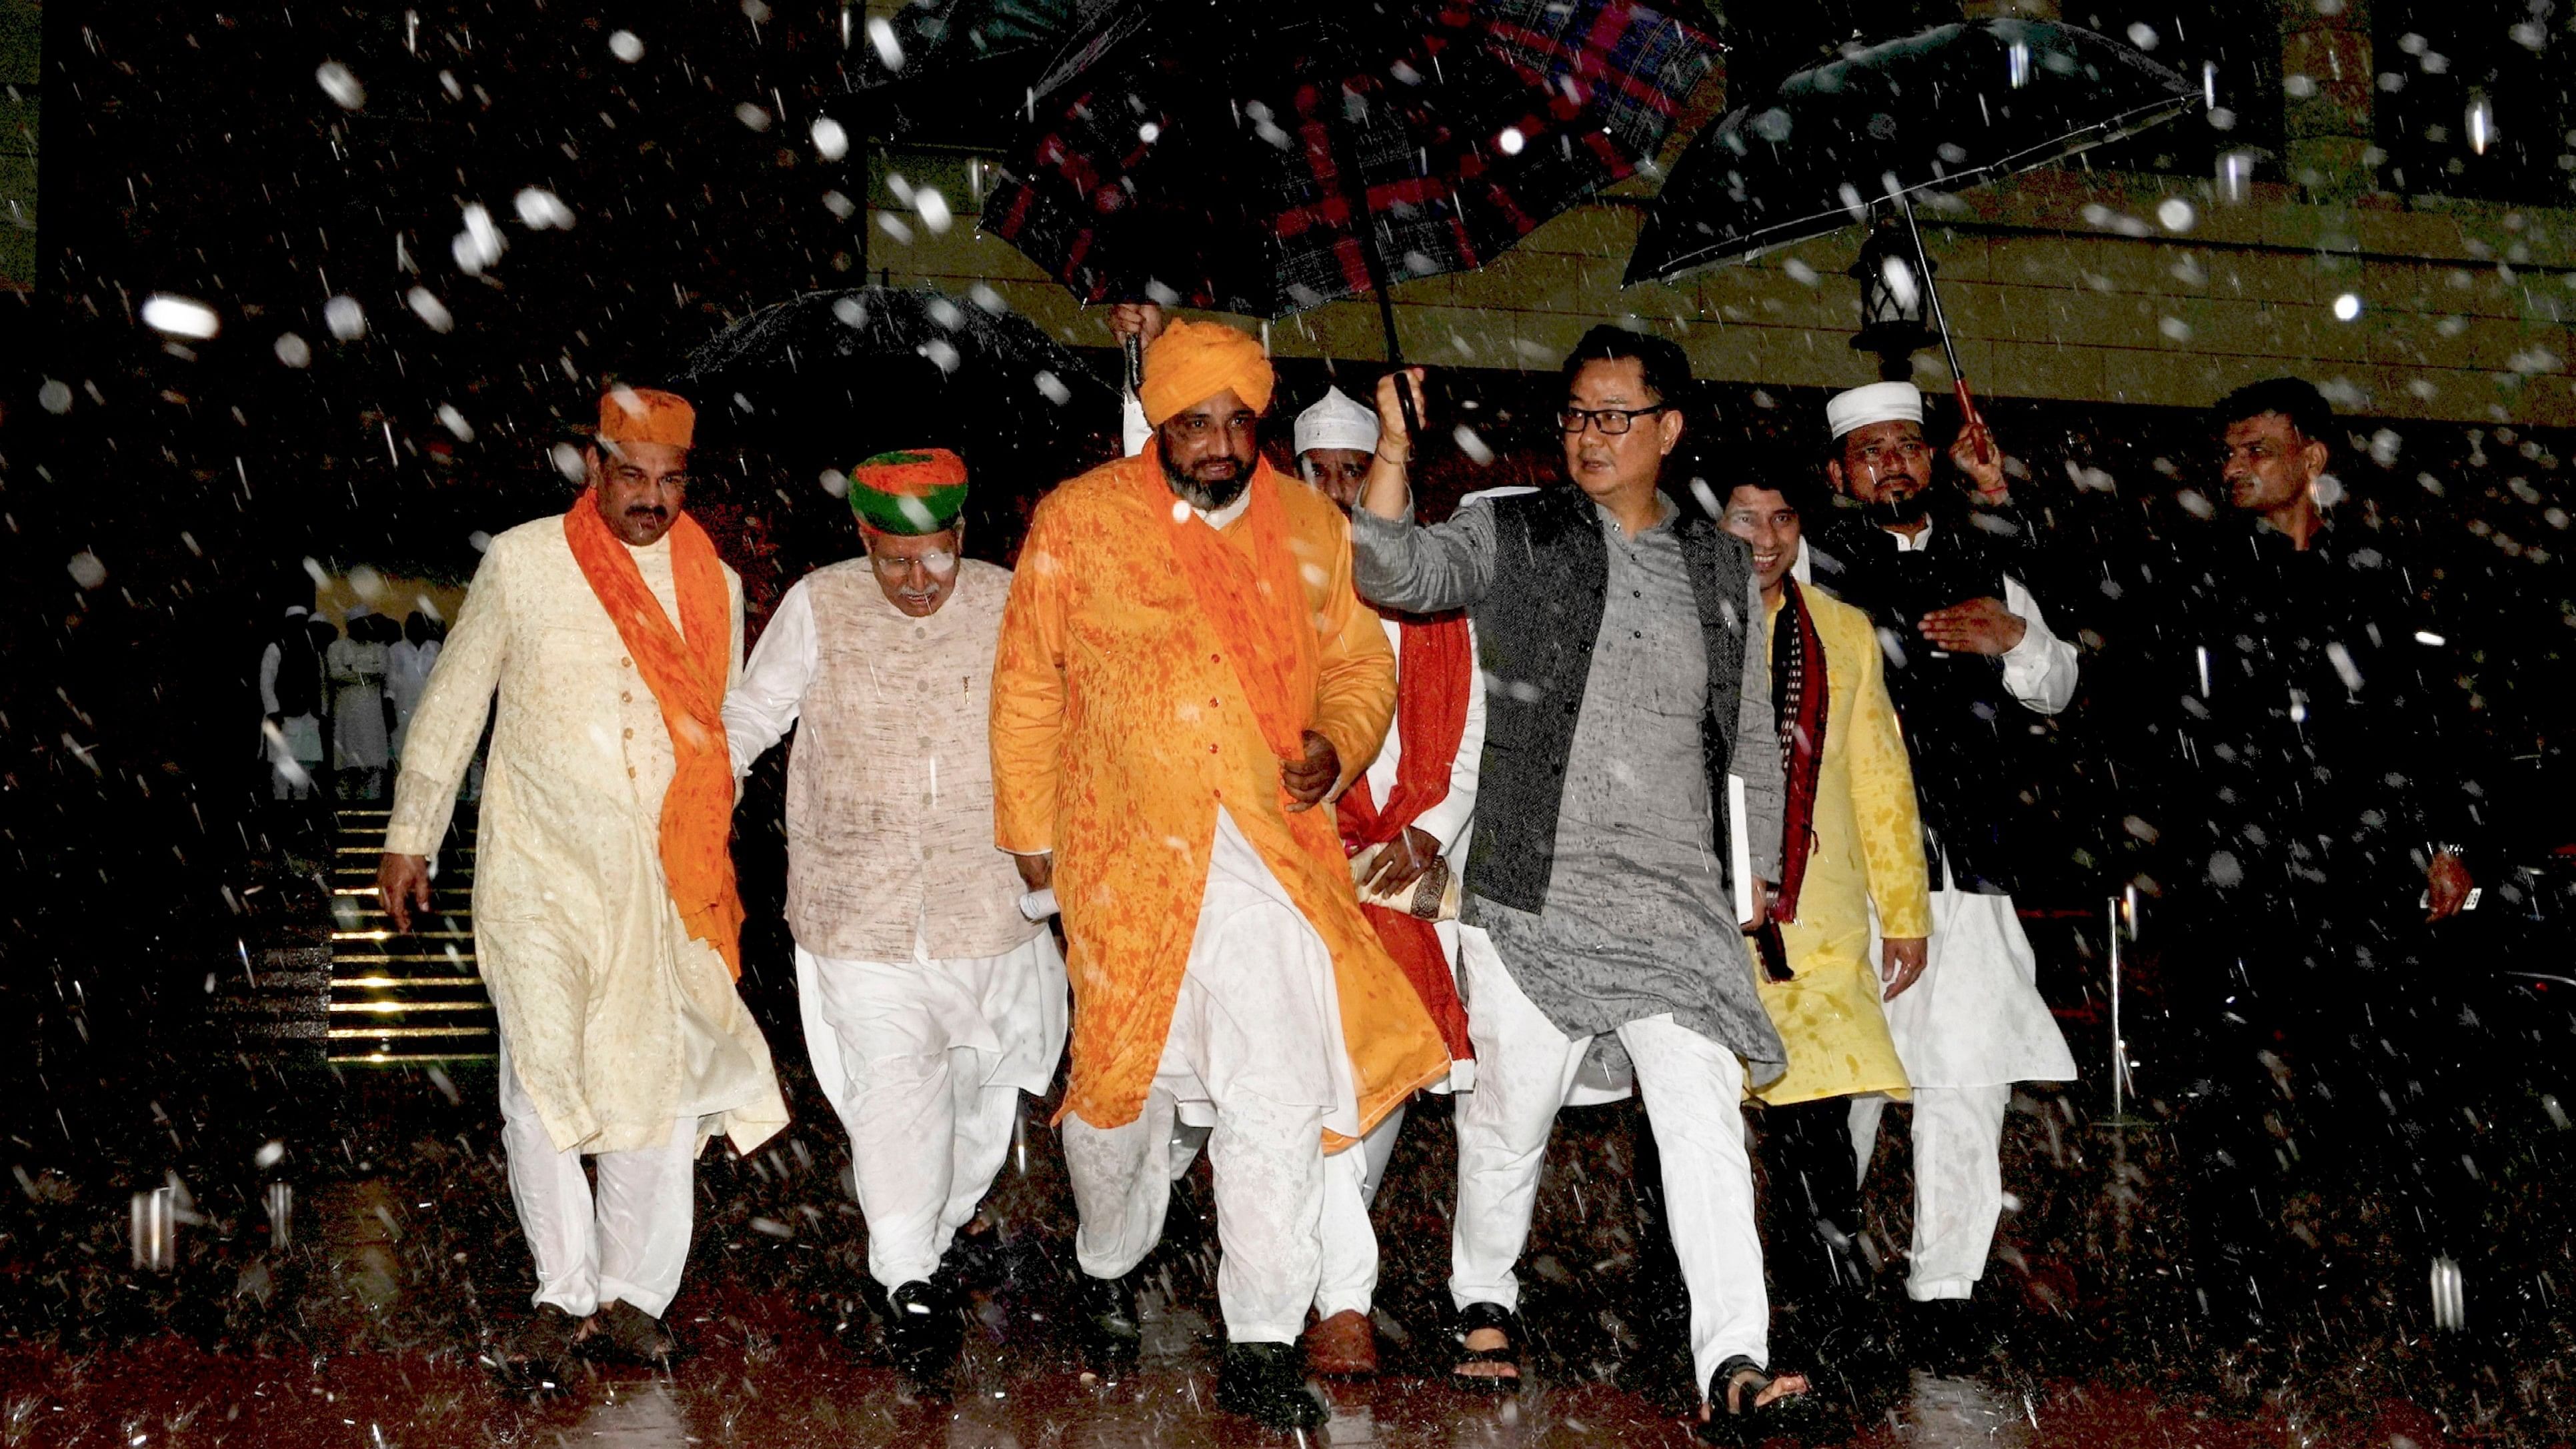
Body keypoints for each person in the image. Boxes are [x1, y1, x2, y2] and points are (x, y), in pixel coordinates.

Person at [1348, 324, 1814, 1438]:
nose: (1588, 434)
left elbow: (1750, 735)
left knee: (1701, 1120)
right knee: (1511, 1119)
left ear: (1668, 429)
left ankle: (1733, 1359)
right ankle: (1483, 1296)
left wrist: (1753, 877)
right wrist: (1394, 448)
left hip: (1676, 904)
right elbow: (1388, 569)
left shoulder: (1718, 567)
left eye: (1613, 415)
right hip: (1531, 887)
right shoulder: (1507, 529)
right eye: (1574, 413)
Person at [988, 317, 1446, 1430]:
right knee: (1112, 1103)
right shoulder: (1079, 520)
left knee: (1274, 1093)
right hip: (1119, 855)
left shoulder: (1303, 523)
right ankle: (1106, 1258)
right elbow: (1027, 682)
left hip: (1268, 857)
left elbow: (1355, 664)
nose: (1215, 439)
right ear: (1157, 420)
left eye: (1235, 418)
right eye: (1192, 419)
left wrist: (1338, 743)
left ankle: (1258, 1336)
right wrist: (1028, 830)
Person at [376, 387, 790, 1384]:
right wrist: (410, 835)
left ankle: (632, 1298)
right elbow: (456, 697)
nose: (651, 498)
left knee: (652, 1087)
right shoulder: (521, 561)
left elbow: (713, 737)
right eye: (633, 476)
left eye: (670, 480)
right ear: (592, 469)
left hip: (658, 877)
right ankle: (561, 1290)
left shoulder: (715, 588)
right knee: (541, 1078)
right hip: (539, 867)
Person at [721, 448, 1066, 1392]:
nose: (917, 582)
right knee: (893, 1096)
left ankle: (939, 1230)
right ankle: (908, 1280)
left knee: (981, 1103)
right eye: (894, 562)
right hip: (858, 909)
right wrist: (697, 790)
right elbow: (753, 710)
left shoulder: (1010, 600)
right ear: (863, 540)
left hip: (987, 906)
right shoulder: (820, 602)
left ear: (961, 534)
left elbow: (1066, 718)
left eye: (935, 558)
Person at [2162, 377, 2476, 1333]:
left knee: (2403, 1085)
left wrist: (2446, 840)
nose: (2233, 468)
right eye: (2226, 453)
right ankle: (2233, 1307)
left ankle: (2446, 1293)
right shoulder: (2199, 571)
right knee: (2223, 1094)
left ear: (2311, 458)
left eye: (2255, 449)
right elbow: (2168, 724)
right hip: (2236, 876)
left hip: (2358, 868)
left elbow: (2430, 718)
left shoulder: (2379, 572)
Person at [1804, 381, 2078, 1364]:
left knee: (1963, 1084)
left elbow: (2055, 686)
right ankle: (1826, 1279)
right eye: (1867, 450)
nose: (1890, 463)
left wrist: (2013, 637)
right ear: (1839, 472)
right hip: (1848, 871)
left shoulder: (1992, 558)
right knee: (1849, 1085)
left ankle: (1943, 1294)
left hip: (1966, 869)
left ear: (1931, 460)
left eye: (1906, 447)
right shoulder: (1814, 566)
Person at [1294, 379, 1485, 1378]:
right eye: (1317, 473)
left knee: (1386, 1071)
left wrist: (1435, 827)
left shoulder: (1436, 592)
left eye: (1353, 472)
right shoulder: (1271, 589)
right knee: (1319, 1068)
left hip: (1407, 859)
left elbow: (1473, 727)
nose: (1334, 492)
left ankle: (1322, 1266)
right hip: (1298, 859)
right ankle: (1340, 1297)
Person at [1719, 477, 1929, 1339]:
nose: (1763, 539)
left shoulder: (1839, 631)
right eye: (1742, 519)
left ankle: (1830, 1314)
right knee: (1698, 1124)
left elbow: (1877, 773)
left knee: (1815, 1128)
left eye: (1780, 519)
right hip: (1703, 913)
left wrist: (1903, 907)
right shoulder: (1674, 618)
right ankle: (1707, 1316)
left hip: (1817, 914)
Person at [257, 605, 327, 800]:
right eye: (296, 622)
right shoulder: (275, 647)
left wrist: (320, 711)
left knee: (304, 773)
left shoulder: (313, 650)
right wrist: (273, 712)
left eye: (302, 622)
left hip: (308, 718)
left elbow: (320, 682)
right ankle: (282, 814)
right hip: (283, 719)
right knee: (281, 772)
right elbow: (266, 683)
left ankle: (302, 817)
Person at [327, 609, 394, 800]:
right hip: (346, 716)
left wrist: (353, 670)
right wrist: (367, 673)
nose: (366, 628)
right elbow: (336, 674)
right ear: (350, 627)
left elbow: (382, 671)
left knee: (374, 765)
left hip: (373, 715)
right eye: (361, 624)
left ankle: (372, 806)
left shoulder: (380, 649)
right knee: (347, 766)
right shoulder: (337, 648)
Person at [387, 611, 443, 760]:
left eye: (420, 625)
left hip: (430, 710)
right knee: (403, 752)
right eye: (412, 625)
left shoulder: (436, 649)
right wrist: (389, 706)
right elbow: (391, 683)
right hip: (403, 709)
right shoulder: (396, 650)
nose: (416, 628)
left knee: (427, 752)